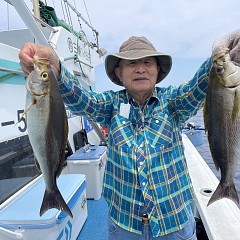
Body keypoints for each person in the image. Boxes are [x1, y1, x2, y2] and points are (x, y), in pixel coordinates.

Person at [19, 30, 240, 240]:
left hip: (174, 225)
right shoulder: (110, 105)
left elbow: (199, 87)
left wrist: (219, 58)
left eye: (147, 62)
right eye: (132, 63)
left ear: (157, 71)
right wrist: (56, 68)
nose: (140, 69)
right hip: (124, 227)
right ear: (119, 73)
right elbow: (82, 99)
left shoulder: (174, 103)